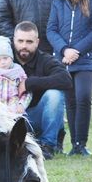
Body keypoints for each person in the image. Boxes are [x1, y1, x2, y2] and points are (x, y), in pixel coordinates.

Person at [47, 0, 92, 156]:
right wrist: (64, 49)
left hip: (85, 59)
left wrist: (76, 50)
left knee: (83, 98)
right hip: (63, 59)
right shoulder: (58, 2)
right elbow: (51, 29)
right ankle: (74, 144)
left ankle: (82, 143)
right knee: (70, 101)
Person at [13, 21, 73, 160]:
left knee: (55, 95)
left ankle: (47, 145)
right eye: (20, 41)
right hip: (10, 117)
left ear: (37, 42)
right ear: (14, 40)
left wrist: (29, 83)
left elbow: (66, 79)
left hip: (36, 118)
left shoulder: (45, 60)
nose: (24, 46)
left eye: (29, 42)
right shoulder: (4, 59)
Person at [0, 36, 30, 115]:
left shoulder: (19, 73)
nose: (2, 62)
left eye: (5, 58)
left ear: (11, 57)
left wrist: (22, 104)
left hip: (15, 112)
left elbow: (27, 92)